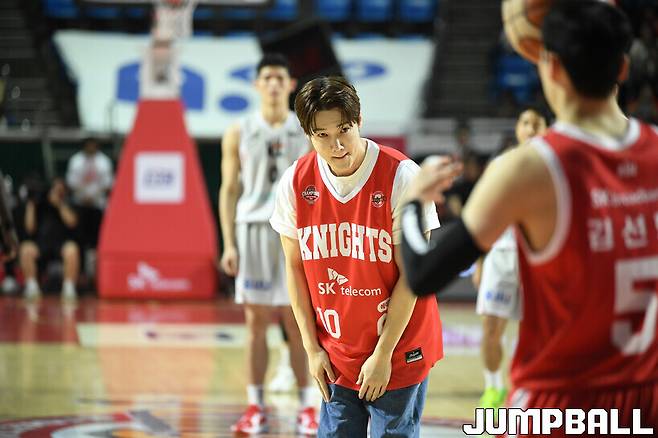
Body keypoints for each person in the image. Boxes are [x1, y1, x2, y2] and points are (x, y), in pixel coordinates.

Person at [401, 1, 658, 432]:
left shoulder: (528, 168)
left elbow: (423, 274)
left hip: (563, 404)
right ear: (623, 67)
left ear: (550, 67)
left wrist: (413, 201)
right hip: (647, 400)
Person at [270, 76, 443, 437]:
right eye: (322, 135)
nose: (336, 146)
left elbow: (413, 277)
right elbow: (294, 270)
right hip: (337, 353)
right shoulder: (295, 182)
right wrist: (311, 349)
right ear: (307, 133)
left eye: (344, 130)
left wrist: (383, 355)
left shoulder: (402, 177)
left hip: (399, 347)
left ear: (359, 120)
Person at [218, 53, 316, 435]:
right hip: (253, 229)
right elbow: (229, 188)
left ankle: (307, 407)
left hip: (294, 232)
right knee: (255, 323)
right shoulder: (239, 130)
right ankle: (255, 406)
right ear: (257, 85)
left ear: (290, 85)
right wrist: (229, 243)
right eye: (267, 77)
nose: (273, 84)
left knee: (298, 321)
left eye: (279, 77)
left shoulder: (306, 129)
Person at [472, 108, 547, 410]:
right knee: (491, 328)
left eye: (536, 124)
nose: (530, 129)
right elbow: (482, 216)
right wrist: (479, 261)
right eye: (525, 123)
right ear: (517, 128)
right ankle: (494, 389)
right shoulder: (499, 165)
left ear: (546, 129)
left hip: (538, 258)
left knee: (538, 333)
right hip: (501, 255)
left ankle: (532, 389)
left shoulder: (555, 164)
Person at [19, 177, 80, 300]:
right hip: (41, 244)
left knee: (72, 249)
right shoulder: (39, 203)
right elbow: (29, 228)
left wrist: (59, 204)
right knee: (25, 249)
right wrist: (31, 204)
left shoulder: (69, 202)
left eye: (60, 190)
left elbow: (72, 222)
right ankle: (32, 287)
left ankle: (69, 288)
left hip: (61, 244)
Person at [66, 137, 113, 256]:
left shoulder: (104, 162)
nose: (91, 148)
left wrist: (93, 196)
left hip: (98, 205)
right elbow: (71, 183)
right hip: (80, 204)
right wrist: (84, 195)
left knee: (97, 237)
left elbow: (108, 184)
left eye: (93, 145)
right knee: (80, 237)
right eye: (88, 145)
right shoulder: (76, 161)